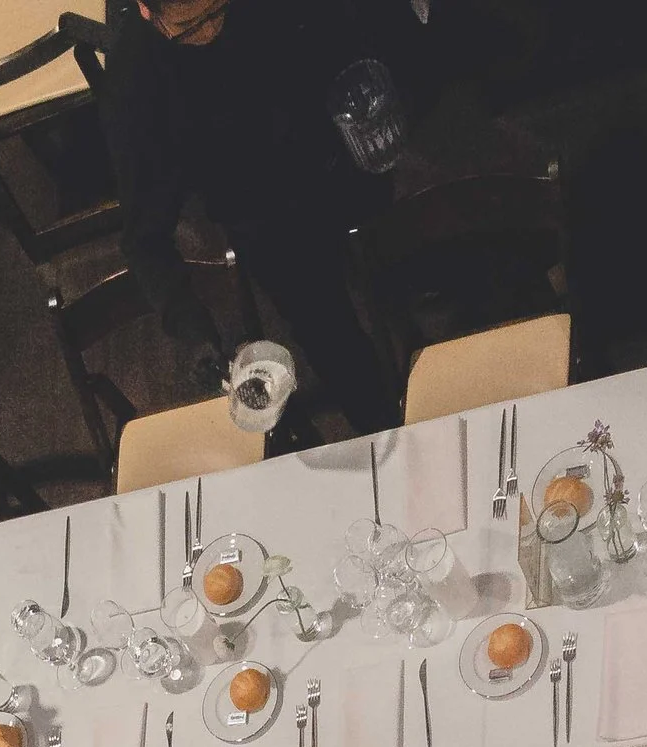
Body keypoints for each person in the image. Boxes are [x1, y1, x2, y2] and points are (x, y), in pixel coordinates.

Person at [97, 0, 428, 438]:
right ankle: (385, 435)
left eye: (218, 9)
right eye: (192, 24)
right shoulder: (135, 80)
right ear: (144, 10)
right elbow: (144, 234)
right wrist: (189, 324)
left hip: (336, 147)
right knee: (332, 339)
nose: (213, 27)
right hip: (261, 211)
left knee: (412, 271)